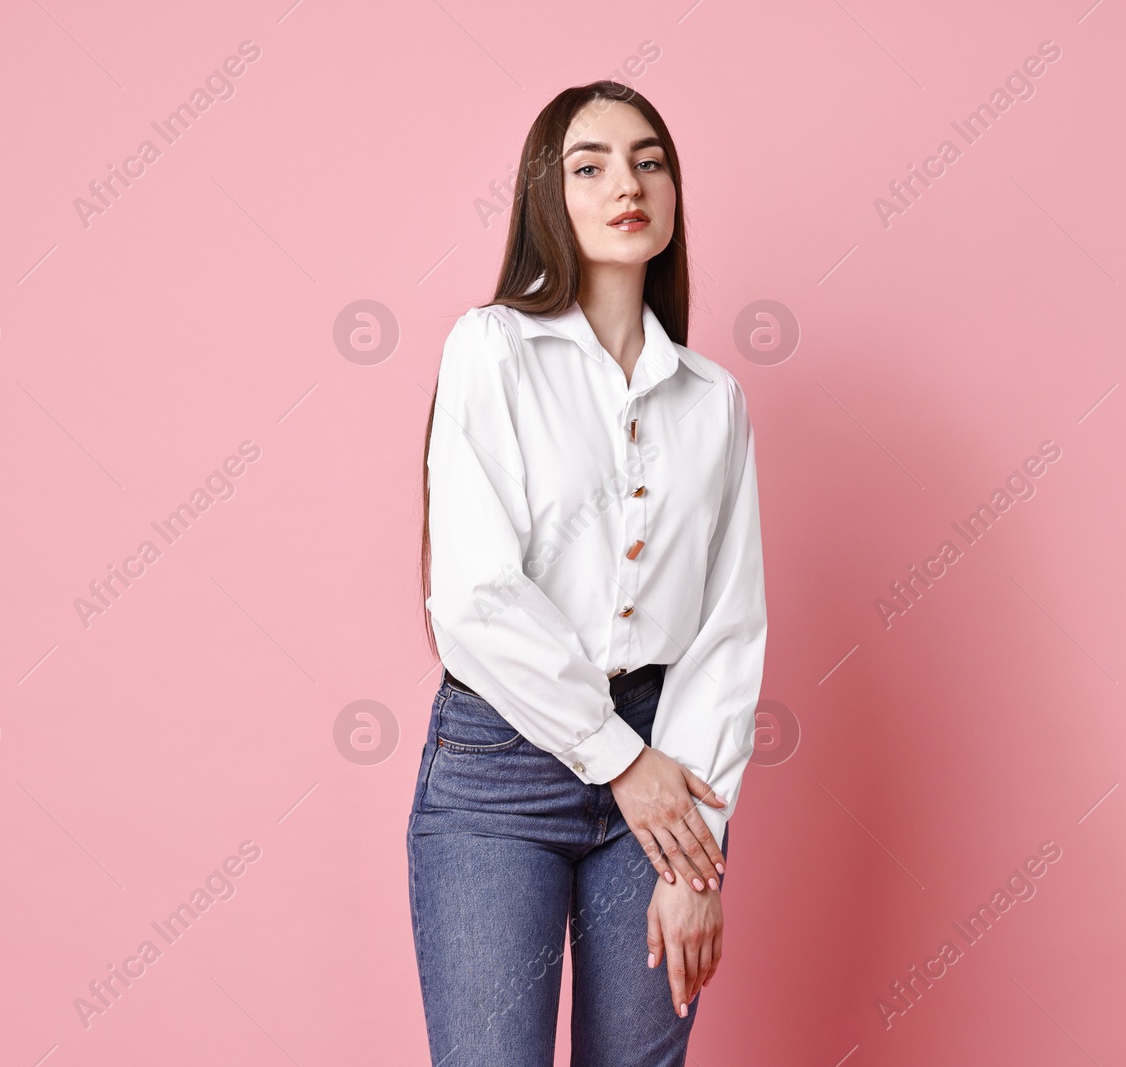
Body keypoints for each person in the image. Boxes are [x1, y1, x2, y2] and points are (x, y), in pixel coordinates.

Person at [408, 79, 768, 1067]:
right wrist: (620, 759)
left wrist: (698, 842)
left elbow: (726, 629)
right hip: (502, 768)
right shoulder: (493, 348)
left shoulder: (714, 402)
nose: (628, 184)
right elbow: (475, 594)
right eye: (591, 164)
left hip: (671, 760)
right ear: (546, 195)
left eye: (650, 161)